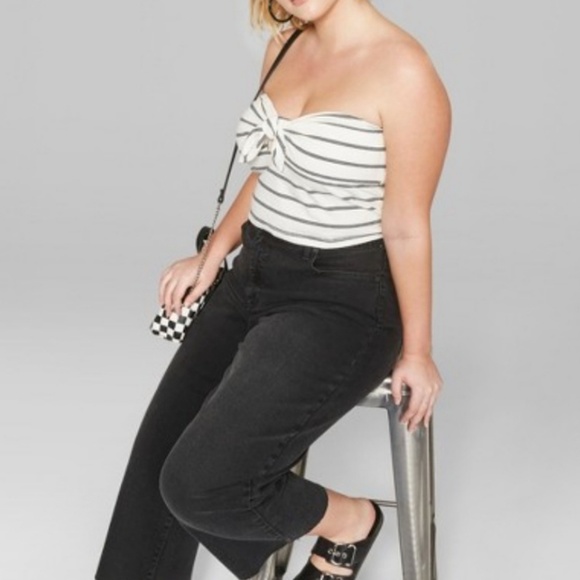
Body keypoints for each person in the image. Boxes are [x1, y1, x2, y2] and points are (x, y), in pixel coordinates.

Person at [94, 1, 450, 579]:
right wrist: (213, 254)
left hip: (341, 300)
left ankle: (351, 524)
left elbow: (407, 226)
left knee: (198, 482)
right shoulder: (285, 45)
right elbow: (269, 170)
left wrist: (418, 350)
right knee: (155, 462)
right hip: (254, 274)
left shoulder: (405, 71)